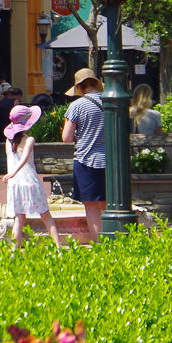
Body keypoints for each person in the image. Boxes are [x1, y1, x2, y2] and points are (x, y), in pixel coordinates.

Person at [2, 104, 60, 248]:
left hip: (15, 184)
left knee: (19, 218)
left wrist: (12, 174)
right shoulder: (29, 139)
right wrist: (14, 172)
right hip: (30, 182)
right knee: (46, 215)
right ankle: (58, 248)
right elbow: (25, 157)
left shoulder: (8, 141)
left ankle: (14, 251)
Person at [62, 68, 106, 237]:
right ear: (96, 83)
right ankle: (114, 243)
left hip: (86, 160)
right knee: (107, 205)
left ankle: (100, 244)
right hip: (109, 160)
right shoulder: (110, 101)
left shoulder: (77, 106)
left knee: (91, 206)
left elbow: (66, 138)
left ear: (79, 87)